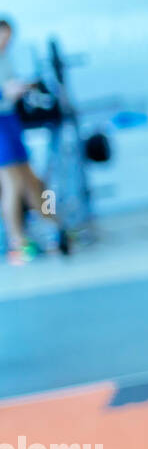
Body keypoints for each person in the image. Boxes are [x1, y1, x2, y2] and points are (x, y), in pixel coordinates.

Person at [0, 18, 63, 266]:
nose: (6, 42)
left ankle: (54, 226)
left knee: (32, 180)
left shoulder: (6, 58)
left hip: (10, 119)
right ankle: (17, 243)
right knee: (12, 183)